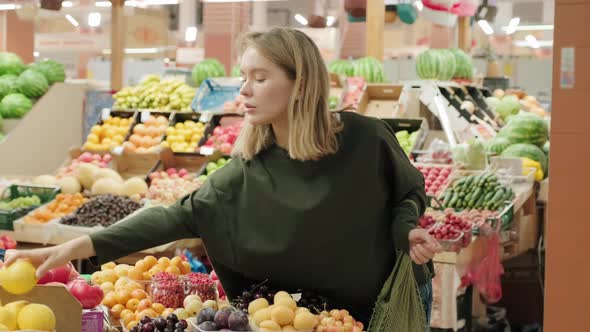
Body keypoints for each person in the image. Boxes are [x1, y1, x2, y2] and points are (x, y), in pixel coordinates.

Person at [5, 27, 440, 328]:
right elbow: (175, 216)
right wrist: (75, 246)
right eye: (243, 77)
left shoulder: (365, 138)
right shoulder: (248, 169)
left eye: (260, 77)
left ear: (301, 83)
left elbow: (408, 193)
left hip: (385, 306)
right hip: (306, 318)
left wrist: (406, 230)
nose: (244, 91)